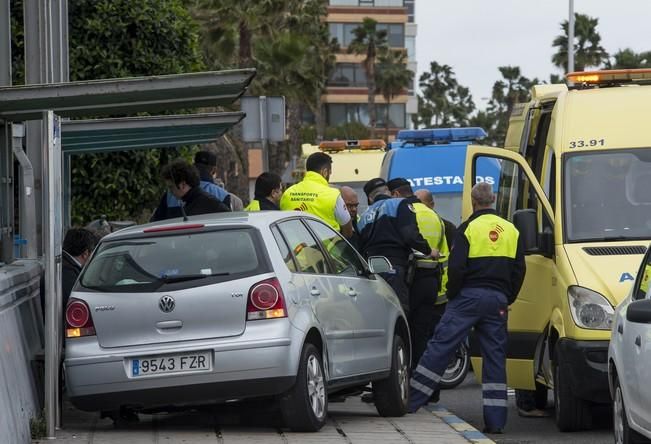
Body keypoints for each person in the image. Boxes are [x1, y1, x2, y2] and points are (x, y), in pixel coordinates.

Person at [408, 182, 526, 435]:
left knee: (441, 346)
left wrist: (453, 294)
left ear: (473, 201)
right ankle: (496, 422)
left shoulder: (467, 229)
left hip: (468, 297)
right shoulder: (511, 230)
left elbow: (457, 267)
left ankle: (413, 401)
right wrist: (508, 297)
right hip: (498, 300)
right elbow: (519, 270)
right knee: (494, 358)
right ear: (492, 199)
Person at [388, 179, 449, 372]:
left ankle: (407, 385)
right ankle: (429, 390)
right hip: (432, 282)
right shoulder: (434, 216)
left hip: (409, 281)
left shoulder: (402, 212)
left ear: (397, 195)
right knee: (425, 337)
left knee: (405, 335)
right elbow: (443, 254)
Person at [358, 178, 439, 316]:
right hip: (394, 266)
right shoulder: (399, 203)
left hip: (372, 270)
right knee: (399, 311)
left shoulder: (363, 217)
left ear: (370, 198)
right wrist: (429, 250)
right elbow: (410, 234)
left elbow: (360, 246)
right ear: (389, 192)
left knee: (380, 313)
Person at [280, 152, 353, 238]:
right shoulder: (333, 195)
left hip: (293, 249)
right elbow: (348, 231)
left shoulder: (287, 193)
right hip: (325, 250)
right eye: (329, 173)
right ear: (325, 172)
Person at [151, 150, 232, 221]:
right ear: (214, 170)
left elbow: (156, 223)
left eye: (171, 187)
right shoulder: (222, 196)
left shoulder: (170, 198)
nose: (170, 192)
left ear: (183, 184)